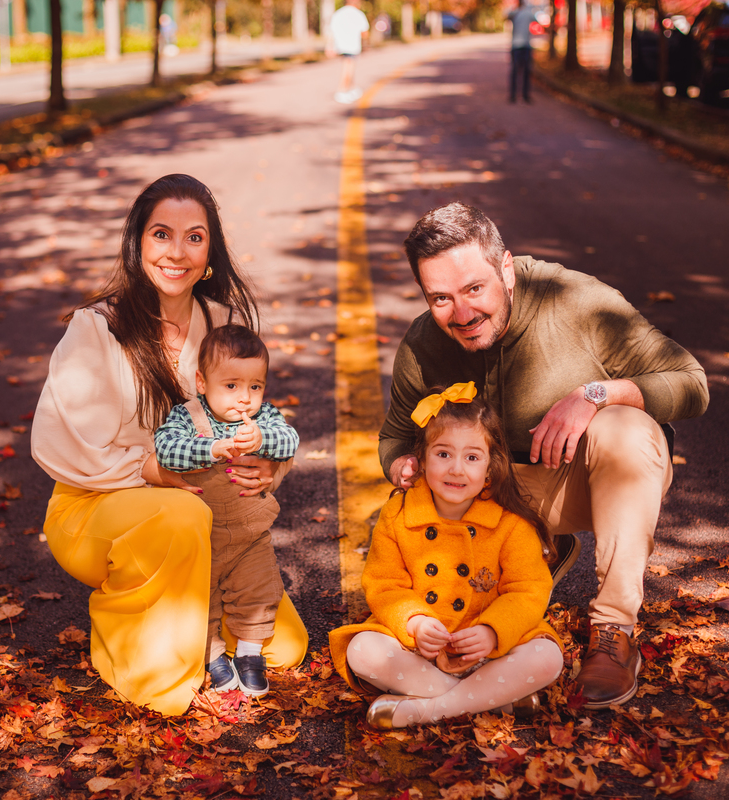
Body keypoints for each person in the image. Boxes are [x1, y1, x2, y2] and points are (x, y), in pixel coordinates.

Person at [379, 202, 708, 708]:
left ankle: (614, 630)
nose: (462, 314)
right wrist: (403, 464)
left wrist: (596, 395)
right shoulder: (424, 342)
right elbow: (395, 437)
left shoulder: (578, 301)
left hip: (581, 479)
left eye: (474, 289)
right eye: (440, 298)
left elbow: (692, 383)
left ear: (506, 269)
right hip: (495, 495)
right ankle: (527, 557)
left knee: (628, 429)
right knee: (431, 476)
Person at [31, 174, 309, 716]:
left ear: (211, 252)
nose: (177, 252)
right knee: (182, 514)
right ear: (138, 243)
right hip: (94, 507)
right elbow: (59, 446)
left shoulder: (223, 324)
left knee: (286, 646)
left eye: (194, 237)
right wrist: (151, 469)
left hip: (212, 513)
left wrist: (266, 470)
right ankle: (134, 645)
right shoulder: (98, 328)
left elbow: (255, 415)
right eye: (162, 234)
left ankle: (201, 630)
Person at [330, 383, 564, 728]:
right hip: (419, 651)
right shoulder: (398, 513)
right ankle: (491, 700)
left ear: (489, 466)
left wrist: (491, 631)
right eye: (443, 454)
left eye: (471, 457)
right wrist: (415, 622)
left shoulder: (510, 522)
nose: (457, 469)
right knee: (362, 649)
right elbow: (384, 584)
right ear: (421, 459)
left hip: (490, 651)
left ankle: (429, 710)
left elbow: (528, 590)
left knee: (547, 657)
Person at [154, 324, 300, 697]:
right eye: (231, 385)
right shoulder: (188, 416)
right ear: (202, 382)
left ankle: (250, 654)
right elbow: (166, 448)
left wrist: (265, 438)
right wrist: (212, 448)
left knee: (259, 591)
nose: (245, 398)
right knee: (201, 598)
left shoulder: (262, 418)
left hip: (250, 536)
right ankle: (213, 654)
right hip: (203, 538)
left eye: (255, 386)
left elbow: (290, 439)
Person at [330, 0, 370, 104]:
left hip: (340, 45)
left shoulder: (338, 13)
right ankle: (341, 91)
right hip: (352, 46)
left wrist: (330, 46)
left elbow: (332, 30)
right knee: (348, 69)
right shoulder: (358, 14)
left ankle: (352, 89)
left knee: (348, 68)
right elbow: (365, 32)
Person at [506, 0, 537, 103]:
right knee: (517, 70)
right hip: (517, 45)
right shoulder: (515, 13)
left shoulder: (527, 13)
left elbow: (538, 22)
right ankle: (515, 95)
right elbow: (507, 16)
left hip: (524, 45)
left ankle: (523, 95)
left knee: (525, 71)